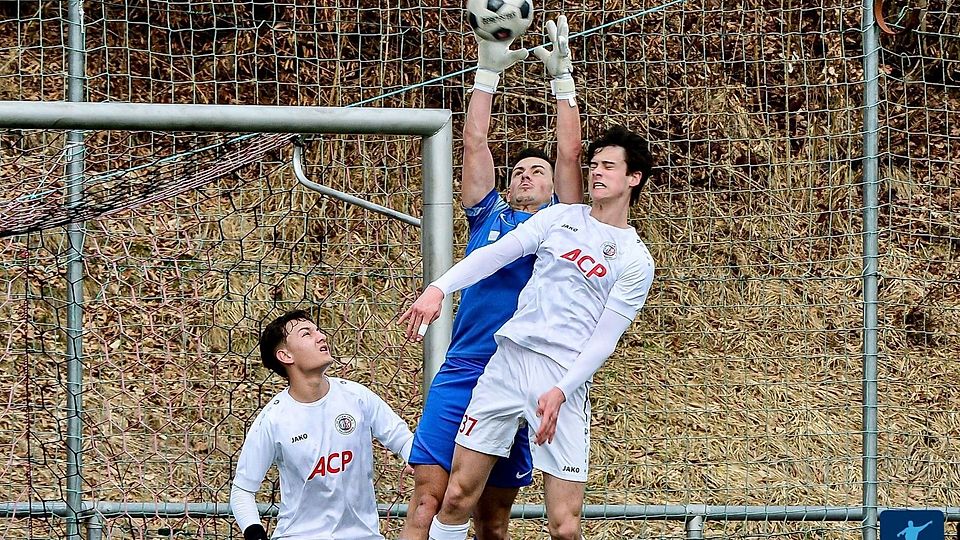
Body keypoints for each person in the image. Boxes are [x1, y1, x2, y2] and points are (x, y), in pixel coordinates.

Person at [400, 125, 655, 540]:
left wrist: (563, 388)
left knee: (564, 526)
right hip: (507, 364)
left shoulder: (635, 259)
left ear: (634, 177)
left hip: (560, 379)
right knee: (457, 496)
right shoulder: (560, 218)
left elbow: (604, 339)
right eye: (594, 166)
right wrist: (439, 287)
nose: (596, 173)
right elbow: (495, 254)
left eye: (609, 166)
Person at [399, 14, 584, 540]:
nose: (525, 175)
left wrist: (562, 80)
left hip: (525, 369)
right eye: (517, 171)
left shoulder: (563, 224)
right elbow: (474, 142)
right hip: (465, 366)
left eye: (537, 171)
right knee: (430, 499)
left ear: (554, 190)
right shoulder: (490, 218)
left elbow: (570, 153)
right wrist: (487, 71)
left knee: (492, 518)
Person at [230, 309, 414, 540]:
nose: (321, 336)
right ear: (286, 356)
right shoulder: (274, 419)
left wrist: (415, 458)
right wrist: (255, 534)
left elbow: (403, 439)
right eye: (307, 333)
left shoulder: (356, 397)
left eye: (318, 330)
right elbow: (242, 491)